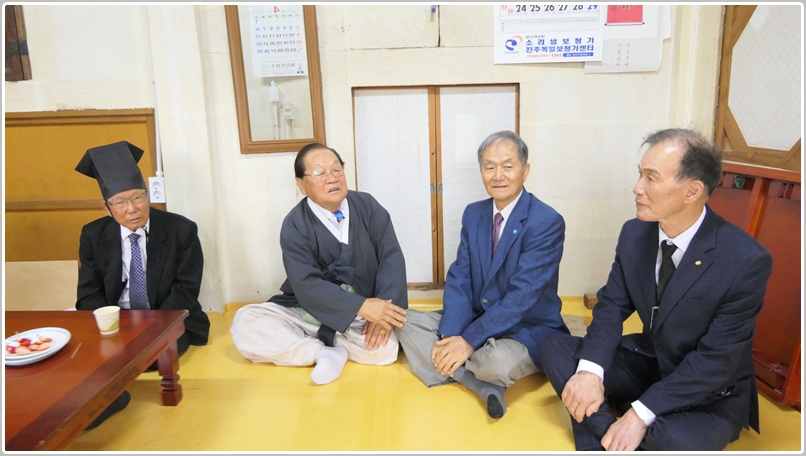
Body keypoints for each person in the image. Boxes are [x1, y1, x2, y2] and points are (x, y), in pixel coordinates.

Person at [539, 128, 773, 451]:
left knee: (673, 439)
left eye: (651, 178)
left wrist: (639, 413)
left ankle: (613, 431)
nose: (637, 188)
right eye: (640, 175)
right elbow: (610, 308)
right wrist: (591, 374)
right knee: (556, 350)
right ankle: (613, 438)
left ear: (691, 191)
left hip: (707, 390)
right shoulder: (635, 234)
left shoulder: (744, 260)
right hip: (649, 363)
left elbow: (716, 361)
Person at [396, 130, 569, 419]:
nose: (498, 175)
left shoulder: (546, 221)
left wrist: (467, 341)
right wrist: (452, 335)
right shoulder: (474, 213)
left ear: (525, 170)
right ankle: (481, 385)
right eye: (490, 167)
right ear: (481, 171)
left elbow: (521, 298)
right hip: (477, 316)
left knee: (495, 363)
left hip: (526, 327)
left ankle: (470, 368)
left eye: (508, 166)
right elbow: (460, 276)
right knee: (404, 322)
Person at [230, 142, 408, 385]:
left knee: (385, 351)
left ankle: (309, 343)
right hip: (308, 312)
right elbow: (305, 283)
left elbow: (391, 259)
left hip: (360, 317)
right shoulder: (295, 224)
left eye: (336, 169)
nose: (332, 178)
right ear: (301, 185)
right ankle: (324, 352)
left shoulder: (368, 207)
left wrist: (382, 314)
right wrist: (360, 305)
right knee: (245, 322)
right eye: (319, 173)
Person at [75, 140, 211, 429]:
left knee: (147, 359)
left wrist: (150, 330)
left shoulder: (181, 229)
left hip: (166, 320)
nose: (132, 209)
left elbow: (186, 289)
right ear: (107, 207)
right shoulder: (92, 235)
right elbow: (88, 292)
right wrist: (110, 329)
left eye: (138, 197)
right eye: (120, 202)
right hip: (118, 323)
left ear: (148, 195)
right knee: (80, 358)